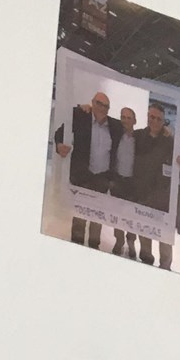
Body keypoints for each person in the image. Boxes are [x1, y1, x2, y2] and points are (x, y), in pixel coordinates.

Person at [53, 91, 120, 247]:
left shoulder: (115, 126)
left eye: (106, 106)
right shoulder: (80, 116)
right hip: (82, 176)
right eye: (98, 103)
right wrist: (59, 145)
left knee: (97, 219)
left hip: (101, 179)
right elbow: (60, 133)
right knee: (79, 217)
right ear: (92, 102)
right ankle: (77, 246)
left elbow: (132, 133)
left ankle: (93, 247)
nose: (102, 108)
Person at [132, 100, 180, 269]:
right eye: (152, 117)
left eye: (159, 119)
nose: (155, 121)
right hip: (142, 196)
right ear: (147, 116)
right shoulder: (137, 136)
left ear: (163, 121)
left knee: (165, 241)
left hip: (162, 199)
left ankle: (165, 269)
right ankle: (147, 266)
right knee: (145, 239)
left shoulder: (170, 142)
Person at [107, 107, 139, 255]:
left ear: (135, 121)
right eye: (123, 117)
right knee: (117, 213)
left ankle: (131, 242)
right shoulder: (115, 135)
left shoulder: (140, 138)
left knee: (131, 215)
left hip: (133, 183)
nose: (125, 120)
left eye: (128, 118)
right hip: (117, 181)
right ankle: (119, 240)